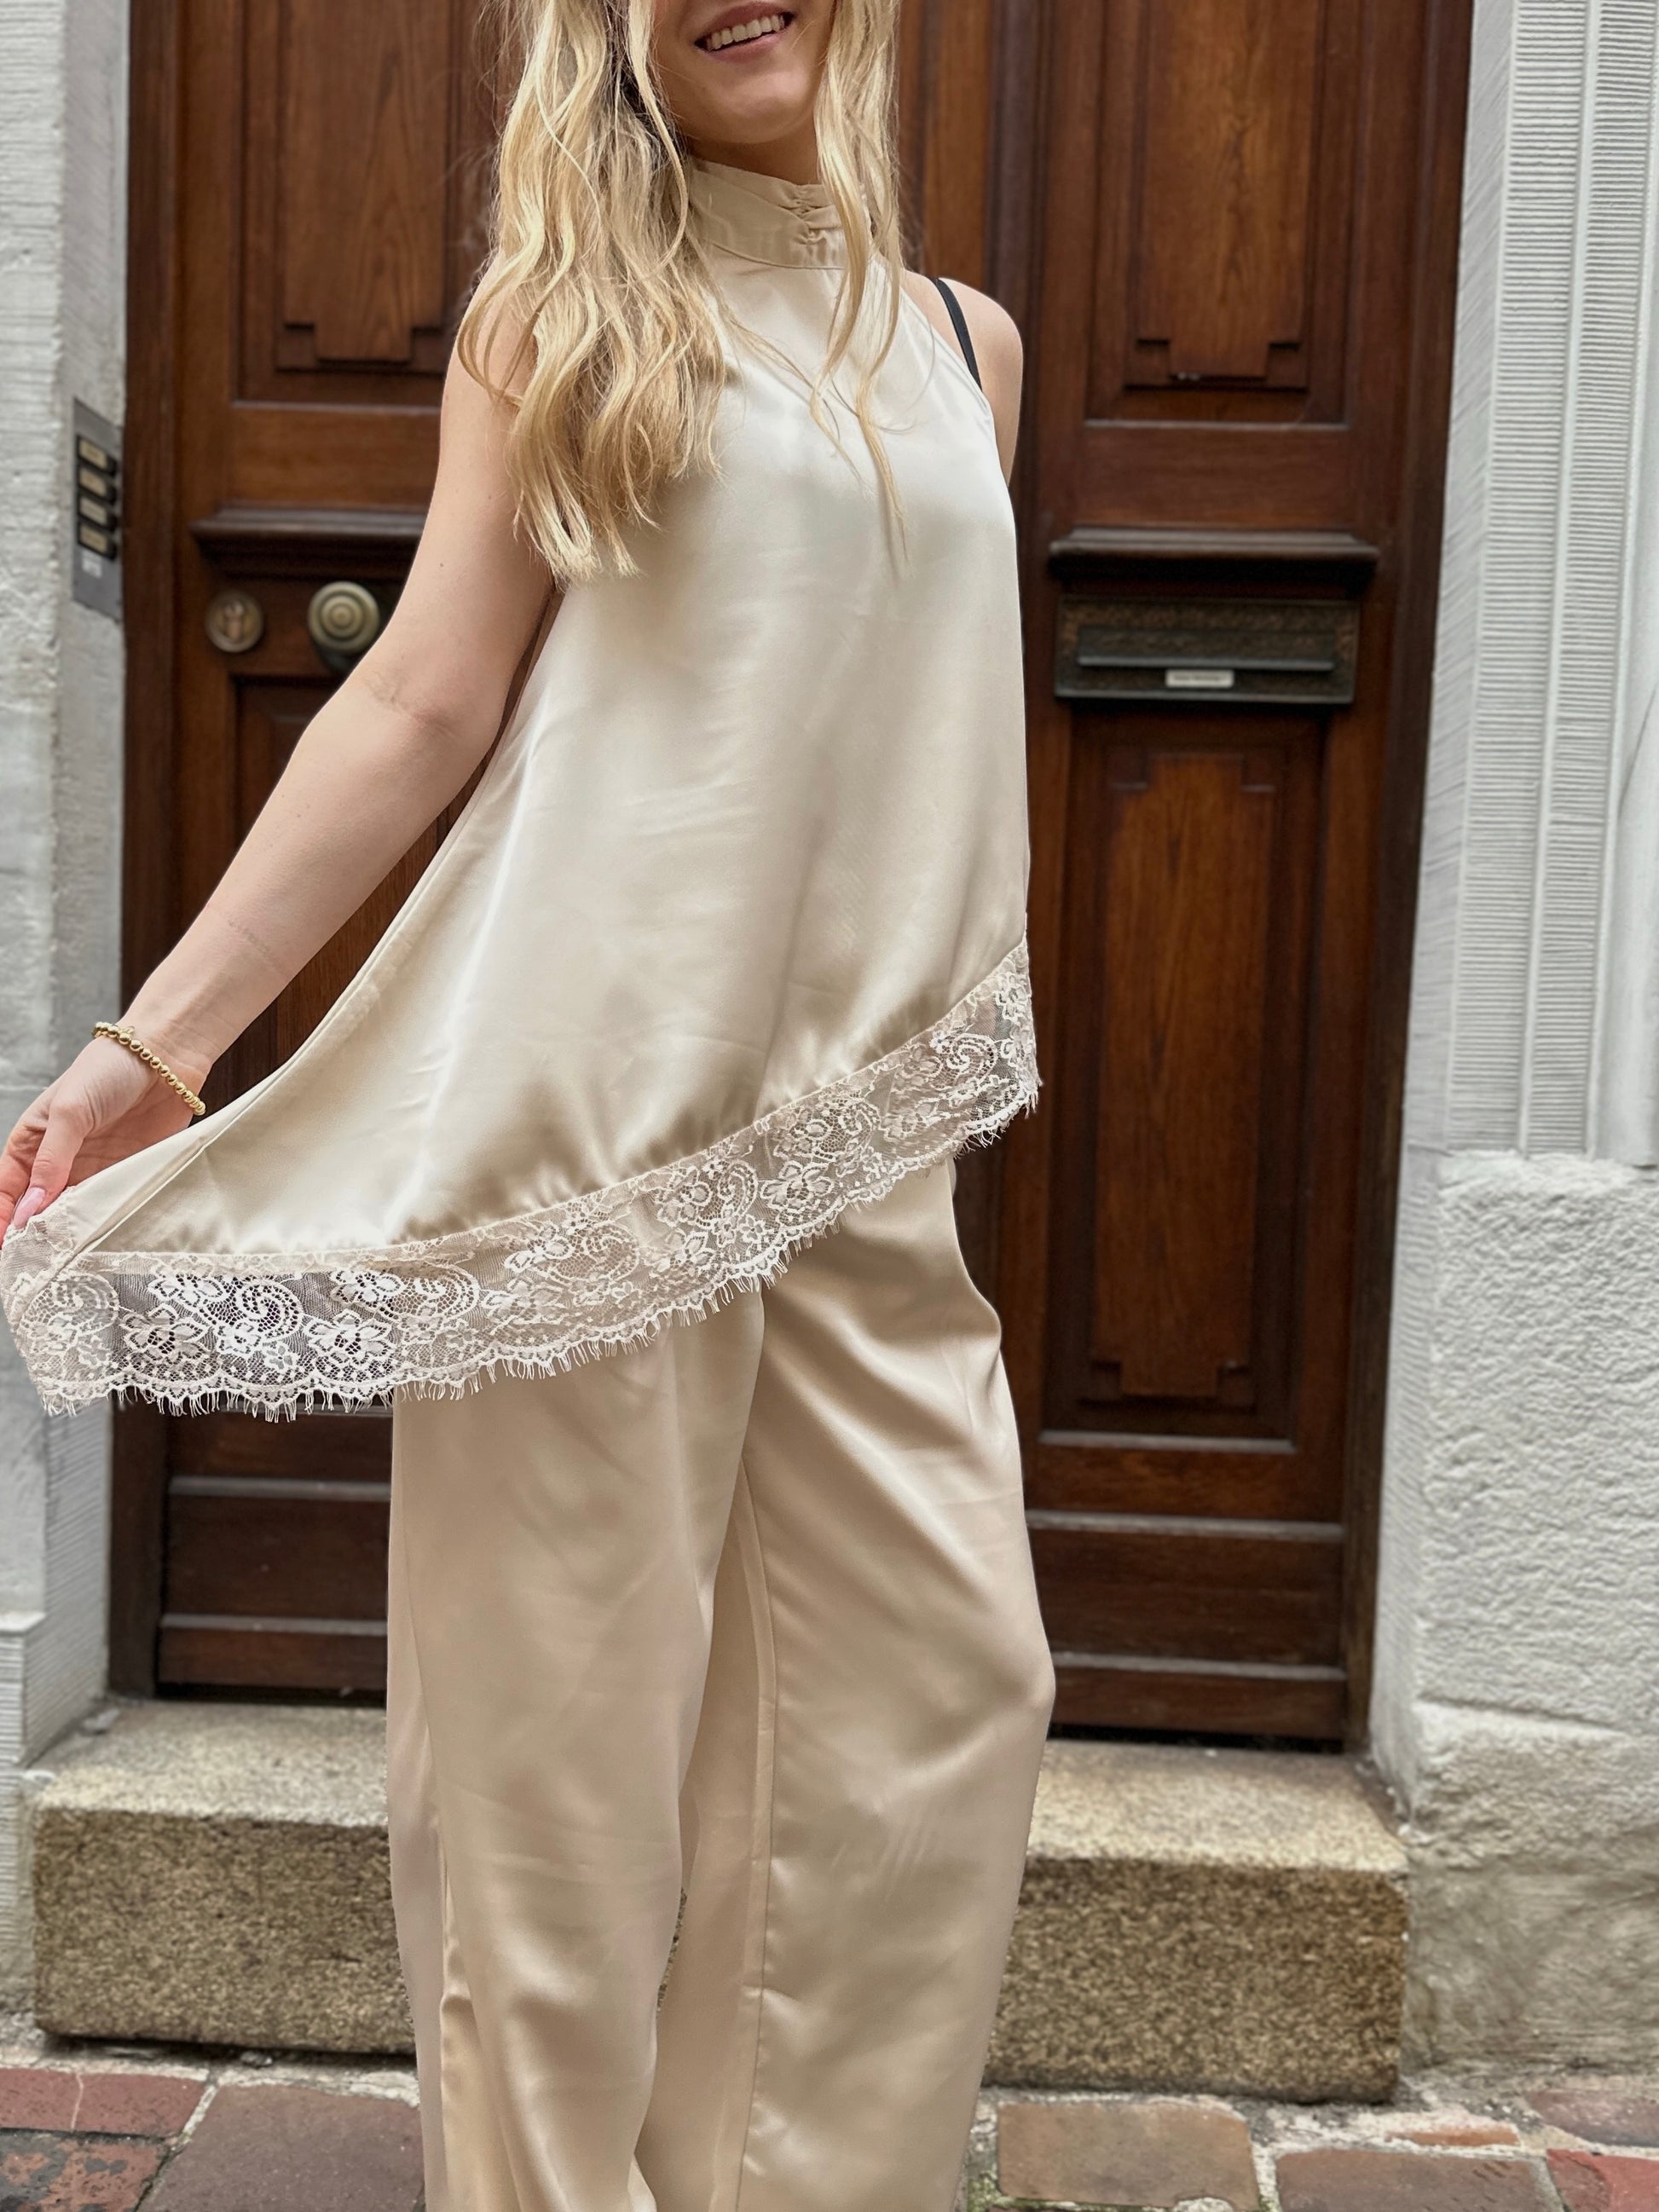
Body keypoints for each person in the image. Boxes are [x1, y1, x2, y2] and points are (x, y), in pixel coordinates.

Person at [0, 3, 1055, 2206]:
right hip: (584, 1161)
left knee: (931, 1722)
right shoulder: (568, 315)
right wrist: (151, 1049)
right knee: (548, 1802)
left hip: (861, 1161)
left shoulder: (972, 349)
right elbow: (420, 695)